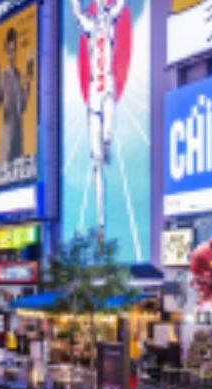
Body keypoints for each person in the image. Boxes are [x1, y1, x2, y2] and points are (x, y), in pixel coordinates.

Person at [69, 0, 127, 237]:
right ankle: (101, 222)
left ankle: (107, 143)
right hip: (94, 97)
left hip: (107, 90)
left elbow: (120, 6)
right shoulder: (90, 26)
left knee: (106, 134)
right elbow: (75, 12)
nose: (102, 8)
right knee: (96, 163)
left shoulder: (110, 23)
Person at [0, 26, 34, 165]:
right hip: (8, 134)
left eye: (14, 50)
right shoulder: (3, 77)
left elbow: (22, 105)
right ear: (6, 51)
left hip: (18, 134)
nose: (12, 55)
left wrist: (28, 77)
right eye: (9, 51)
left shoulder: (18, 75)